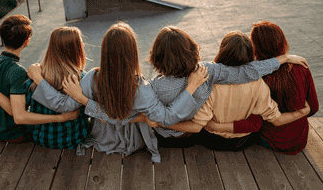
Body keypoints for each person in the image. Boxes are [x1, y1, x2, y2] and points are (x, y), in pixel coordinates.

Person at [28, 23, 308, 161]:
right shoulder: (200, 72)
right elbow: (241, 72)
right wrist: (281, 60)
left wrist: (45, 83)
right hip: (177, 135)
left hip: (125, 137)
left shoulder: (98, 78)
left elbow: (65, 105)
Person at [137, 30, 311, 151]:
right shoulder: (206, 72)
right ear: (191, 49)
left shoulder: (151, 87)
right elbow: (245, 72)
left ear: (156, 56)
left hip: (171, 139)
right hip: (205, 139)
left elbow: (168, 118)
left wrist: (154, 121)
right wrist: (283, 58)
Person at [212, 21, 319, 154]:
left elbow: (255, 123)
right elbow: (314, 108)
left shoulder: (256, 78)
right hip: (299, 139)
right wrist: (301, 113)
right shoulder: (301, 67)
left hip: (270, 140)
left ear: (256, 48)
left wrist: (216, 126)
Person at [0, 26, 92, 149]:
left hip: (42, 138)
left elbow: (18, 111)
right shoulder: (82, 78)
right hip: (74, 138)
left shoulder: (34, 77)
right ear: (77, 49)